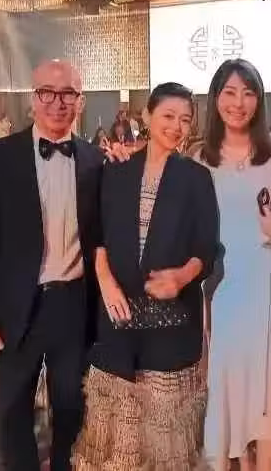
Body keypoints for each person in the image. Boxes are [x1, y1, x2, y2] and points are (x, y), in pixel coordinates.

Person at [0, 60, 104, 471]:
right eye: (48, 93)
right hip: (13, 309)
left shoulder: (95, 160)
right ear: (32, 98)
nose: (58, 103)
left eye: (68, 94)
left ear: (80, 101)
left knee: (71, 408)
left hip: (73, 305)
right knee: (11, 410)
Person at [73, 82, 219, 471]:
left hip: (169, 324)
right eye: (168, 116)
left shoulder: (196, 177)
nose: (176, 126)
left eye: (185, 120)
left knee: (163, 441)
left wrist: (181, 278)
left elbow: (207, 248)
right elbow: (95, 234)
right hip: (117, 320)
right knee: (117, 438)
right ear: (146, 116)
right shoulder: (115, 170)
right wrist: (105, 280)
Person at [197, 59, 271, 471]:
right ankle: (240, 459)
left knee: (266, 384)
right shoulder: (199, 157)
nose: (238, 102)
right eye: (229, 92)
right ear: (215, 98)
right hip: (223, 282)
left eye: (248, 93)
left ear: (259, 100)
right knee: (228, 381)